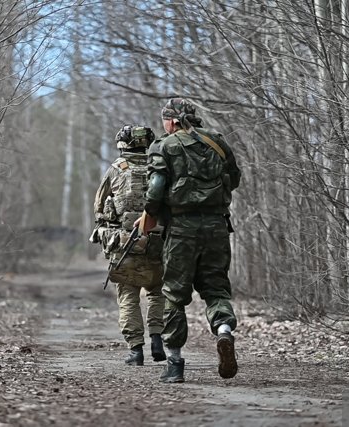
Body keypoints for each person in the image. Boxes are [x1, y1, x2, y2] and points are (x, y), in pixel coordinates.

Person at [138, 98, 241, 383]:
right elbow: (234, 179)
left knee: (173, 295)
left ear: (171, 121)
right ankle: (223, 332)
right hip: (217, 227)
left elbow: (156, 188)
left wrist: (149, 214)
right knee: (216, 289)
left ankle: (174, 364)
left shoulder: (164, 145)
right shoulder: (217, 142)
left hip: (182, 229)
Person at [92, 125, 167, 366]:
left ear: (123, 145)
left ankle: (136, 350)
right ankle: (157, 337)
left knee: (128, 295)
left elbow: (99, 208)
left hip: (126, 243)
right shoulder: (161, 168)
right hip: (159, 241)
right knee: (157, 291)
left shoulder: (116, 169)